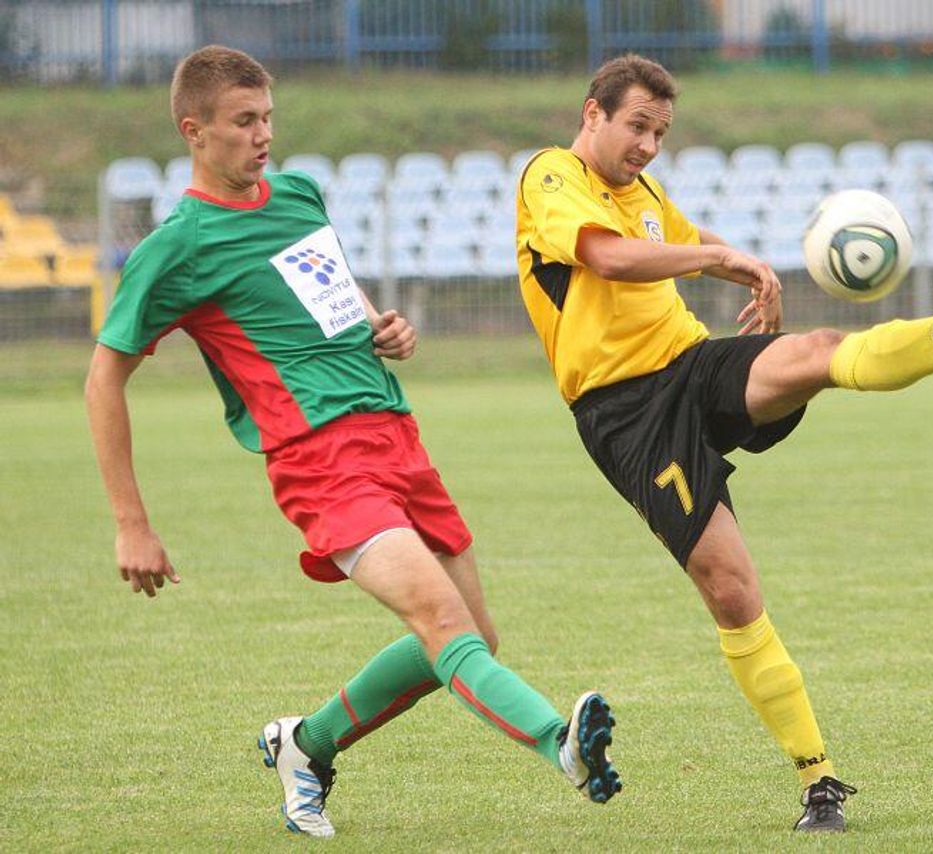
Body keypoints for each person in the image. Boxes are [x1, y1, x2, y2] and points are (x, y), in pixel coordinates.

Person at [85, 45, 621, 839]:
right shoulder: (180, 246)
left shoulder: (299, 193)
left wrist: (379, 327)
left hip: (396, 434)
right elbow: (103, 377)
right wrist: (132, 521)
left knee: (475, 634)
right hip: (318, 460)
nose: (263, 134)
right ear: (194, 131)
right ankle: (561, 743)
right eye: (243, 122)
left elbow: (328, 289)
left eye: (267, 116)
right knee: (447, 628)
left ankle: (308, 746)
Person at [515, 53, 933, 833]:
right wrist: (719, 259)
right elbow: (608, 254)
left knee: (813, 352)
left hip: (691, 363)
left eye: (660, 132)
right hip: (625, 414)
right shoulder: (551, 177)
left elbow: (678, 234)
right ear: (592, 115)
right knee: (732, 588)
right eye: (636, 126)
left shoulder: (641, 191)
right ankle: (819, 778)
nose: (647, 145)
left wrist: (753, 269)